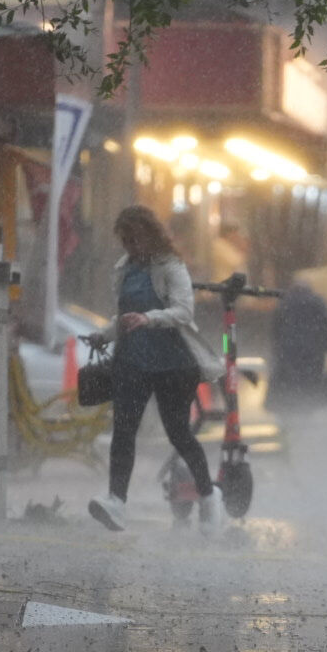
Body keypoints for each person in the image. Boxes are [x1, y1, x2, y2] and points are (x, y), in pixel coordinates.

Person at [87, 205, 227, 533]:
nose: (132, 248)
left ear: (151, 235)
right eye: (126, 241)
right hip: (132, 362)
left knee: (178, 432)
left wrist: (150, 319)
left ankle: (209, 496)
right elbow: (124, 316)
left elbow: (183, 311)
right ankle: (116, 502)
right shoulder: (123, 268)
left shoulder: (171, 267)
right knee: (124, 431)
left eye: (136, 240)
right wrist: (103, 335)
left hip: (173, 364)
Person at [265, 278, 327, 412]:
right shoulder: (317, 302)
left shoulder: (285, 303)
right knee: (310, 380)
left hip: (288, 351)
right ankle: (308, 406)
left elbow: (275, 328)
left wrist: (276, 349)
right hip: (313, 351)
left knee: (290, 380)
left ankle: (291, 406)